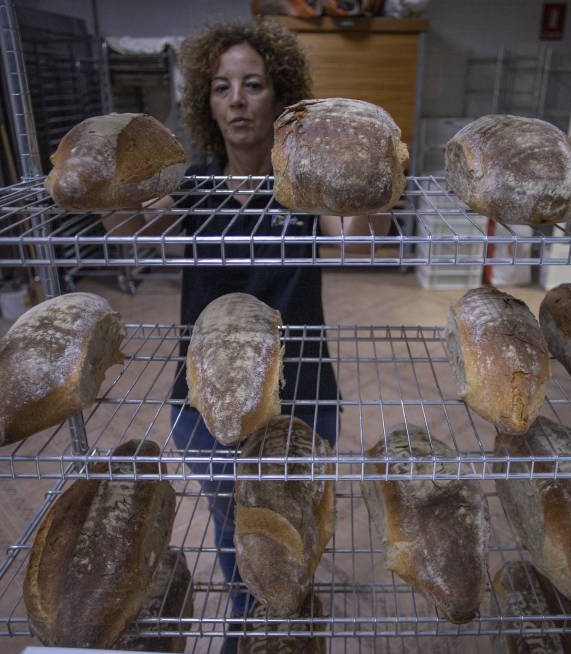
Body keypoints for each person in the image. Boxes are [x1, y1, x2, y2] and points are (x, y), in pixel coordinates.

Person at [106, 19, 390, 637]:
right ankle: (248, 630)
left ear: (279, 95)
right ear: (206, 103)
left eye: (253, 85)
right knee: (235, 533)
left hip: (302, 399)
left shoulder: (305, 188)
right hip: (204, 402)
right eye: (221, 87)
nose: (236, 100)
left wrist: (364, 174)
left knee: (294, 526)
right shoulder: (190, 189)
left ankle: (290, 627)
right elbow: (123, 235)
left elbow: (361, 244)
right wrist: (121, 187)